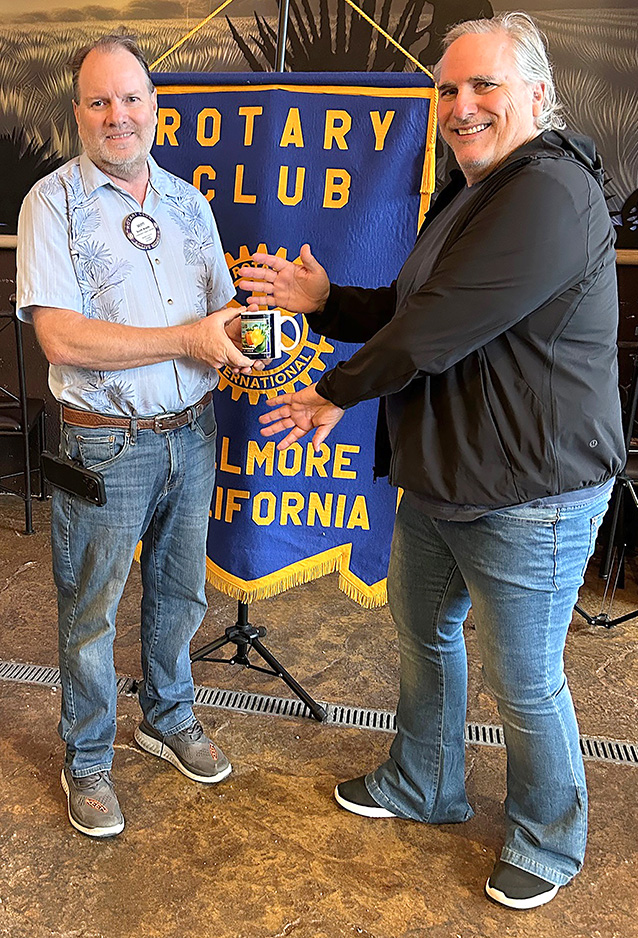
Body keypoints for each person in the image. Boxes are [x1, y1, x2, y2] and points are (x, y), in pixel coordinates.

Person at [238, 12, 625, 910]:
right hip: (443, 478)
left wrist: (336, 391)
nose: (461, 105)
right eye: (447, 89)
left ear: (534, 92)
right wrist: (329, 300)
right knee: (424, 639)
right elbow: (420, 306)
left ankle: (548, 838)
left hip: (531, 495)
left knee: (524, 682)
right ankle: (423, 783)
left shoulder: (550, 192)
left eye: (482, 85)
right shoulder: (473, 189)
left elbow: (439, 331)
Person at [16, 35, 261, 839]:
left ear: (154, 108)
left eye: (131, 99)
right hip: (103, 444)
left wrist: (258, 339)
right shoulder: (51, 203)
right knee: (90, 613)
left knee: (181, 593)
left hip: (192, 435)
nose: (117, 115)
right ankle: (86, 759)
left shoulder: (190, 204)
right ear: (79, 113)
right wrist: (190, 340)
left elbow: (221, 318)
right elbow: (60, 338)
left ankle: (167, 716)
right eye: (99, 101)